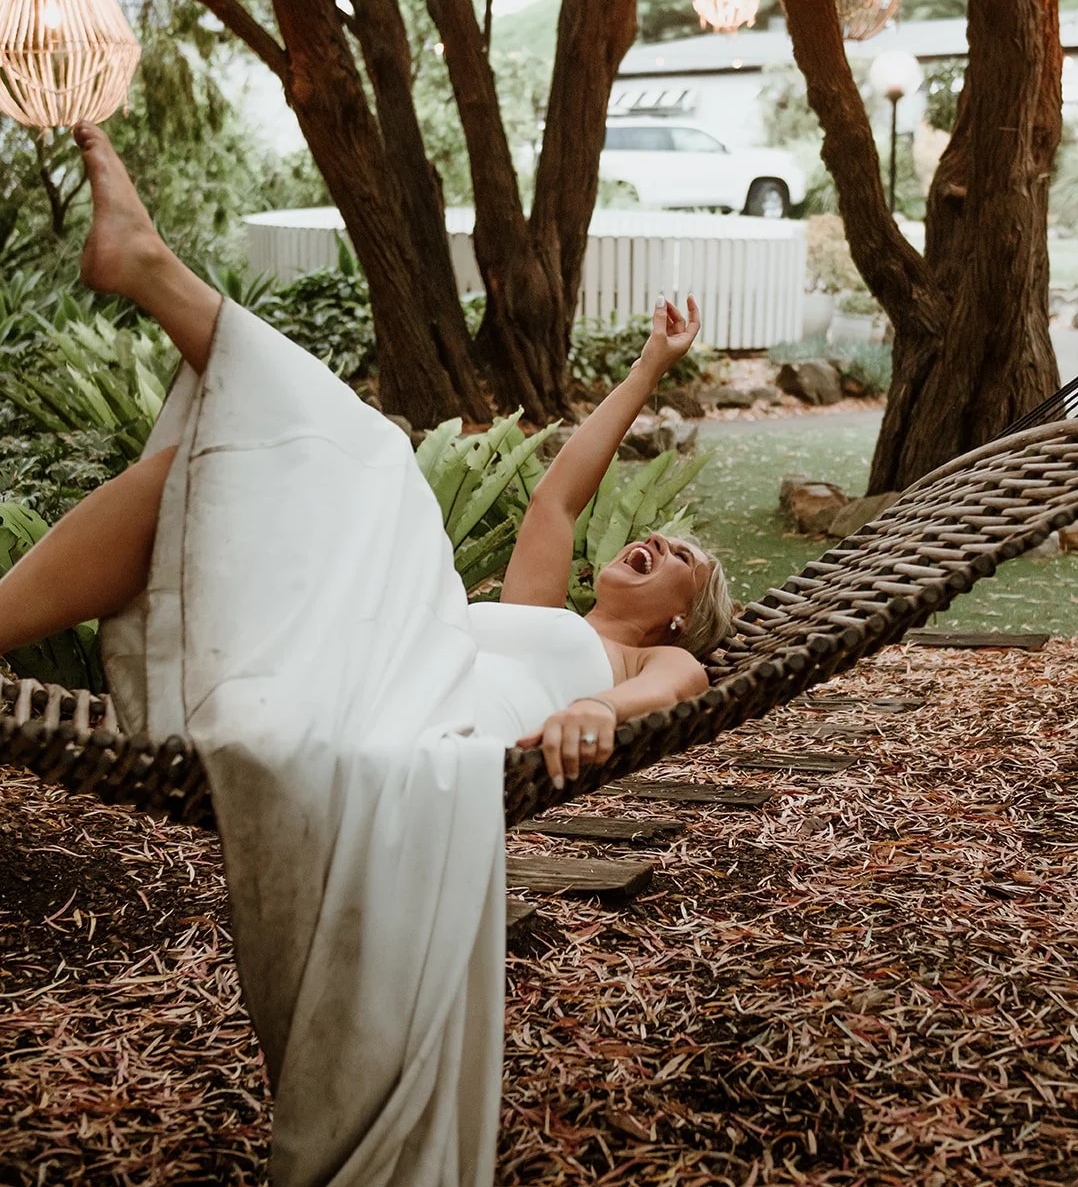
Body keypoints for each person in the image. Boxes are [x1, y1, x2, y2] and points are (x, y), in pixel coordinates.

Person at [0, 123, 732, 1186]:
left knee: (369, 453)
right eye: (663, 537)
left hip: (428, 695)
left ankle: (157, 273)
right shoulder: (541, 597)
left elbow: (680, 689)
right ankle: (150, 277)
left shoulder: (633, 664)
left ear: (677, 616)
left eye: (683, 563)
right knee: (206, 486)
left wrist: (600, 715)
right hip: (380, 628)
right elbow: (564, 485)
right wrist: (654, 363)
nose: (659, 543)